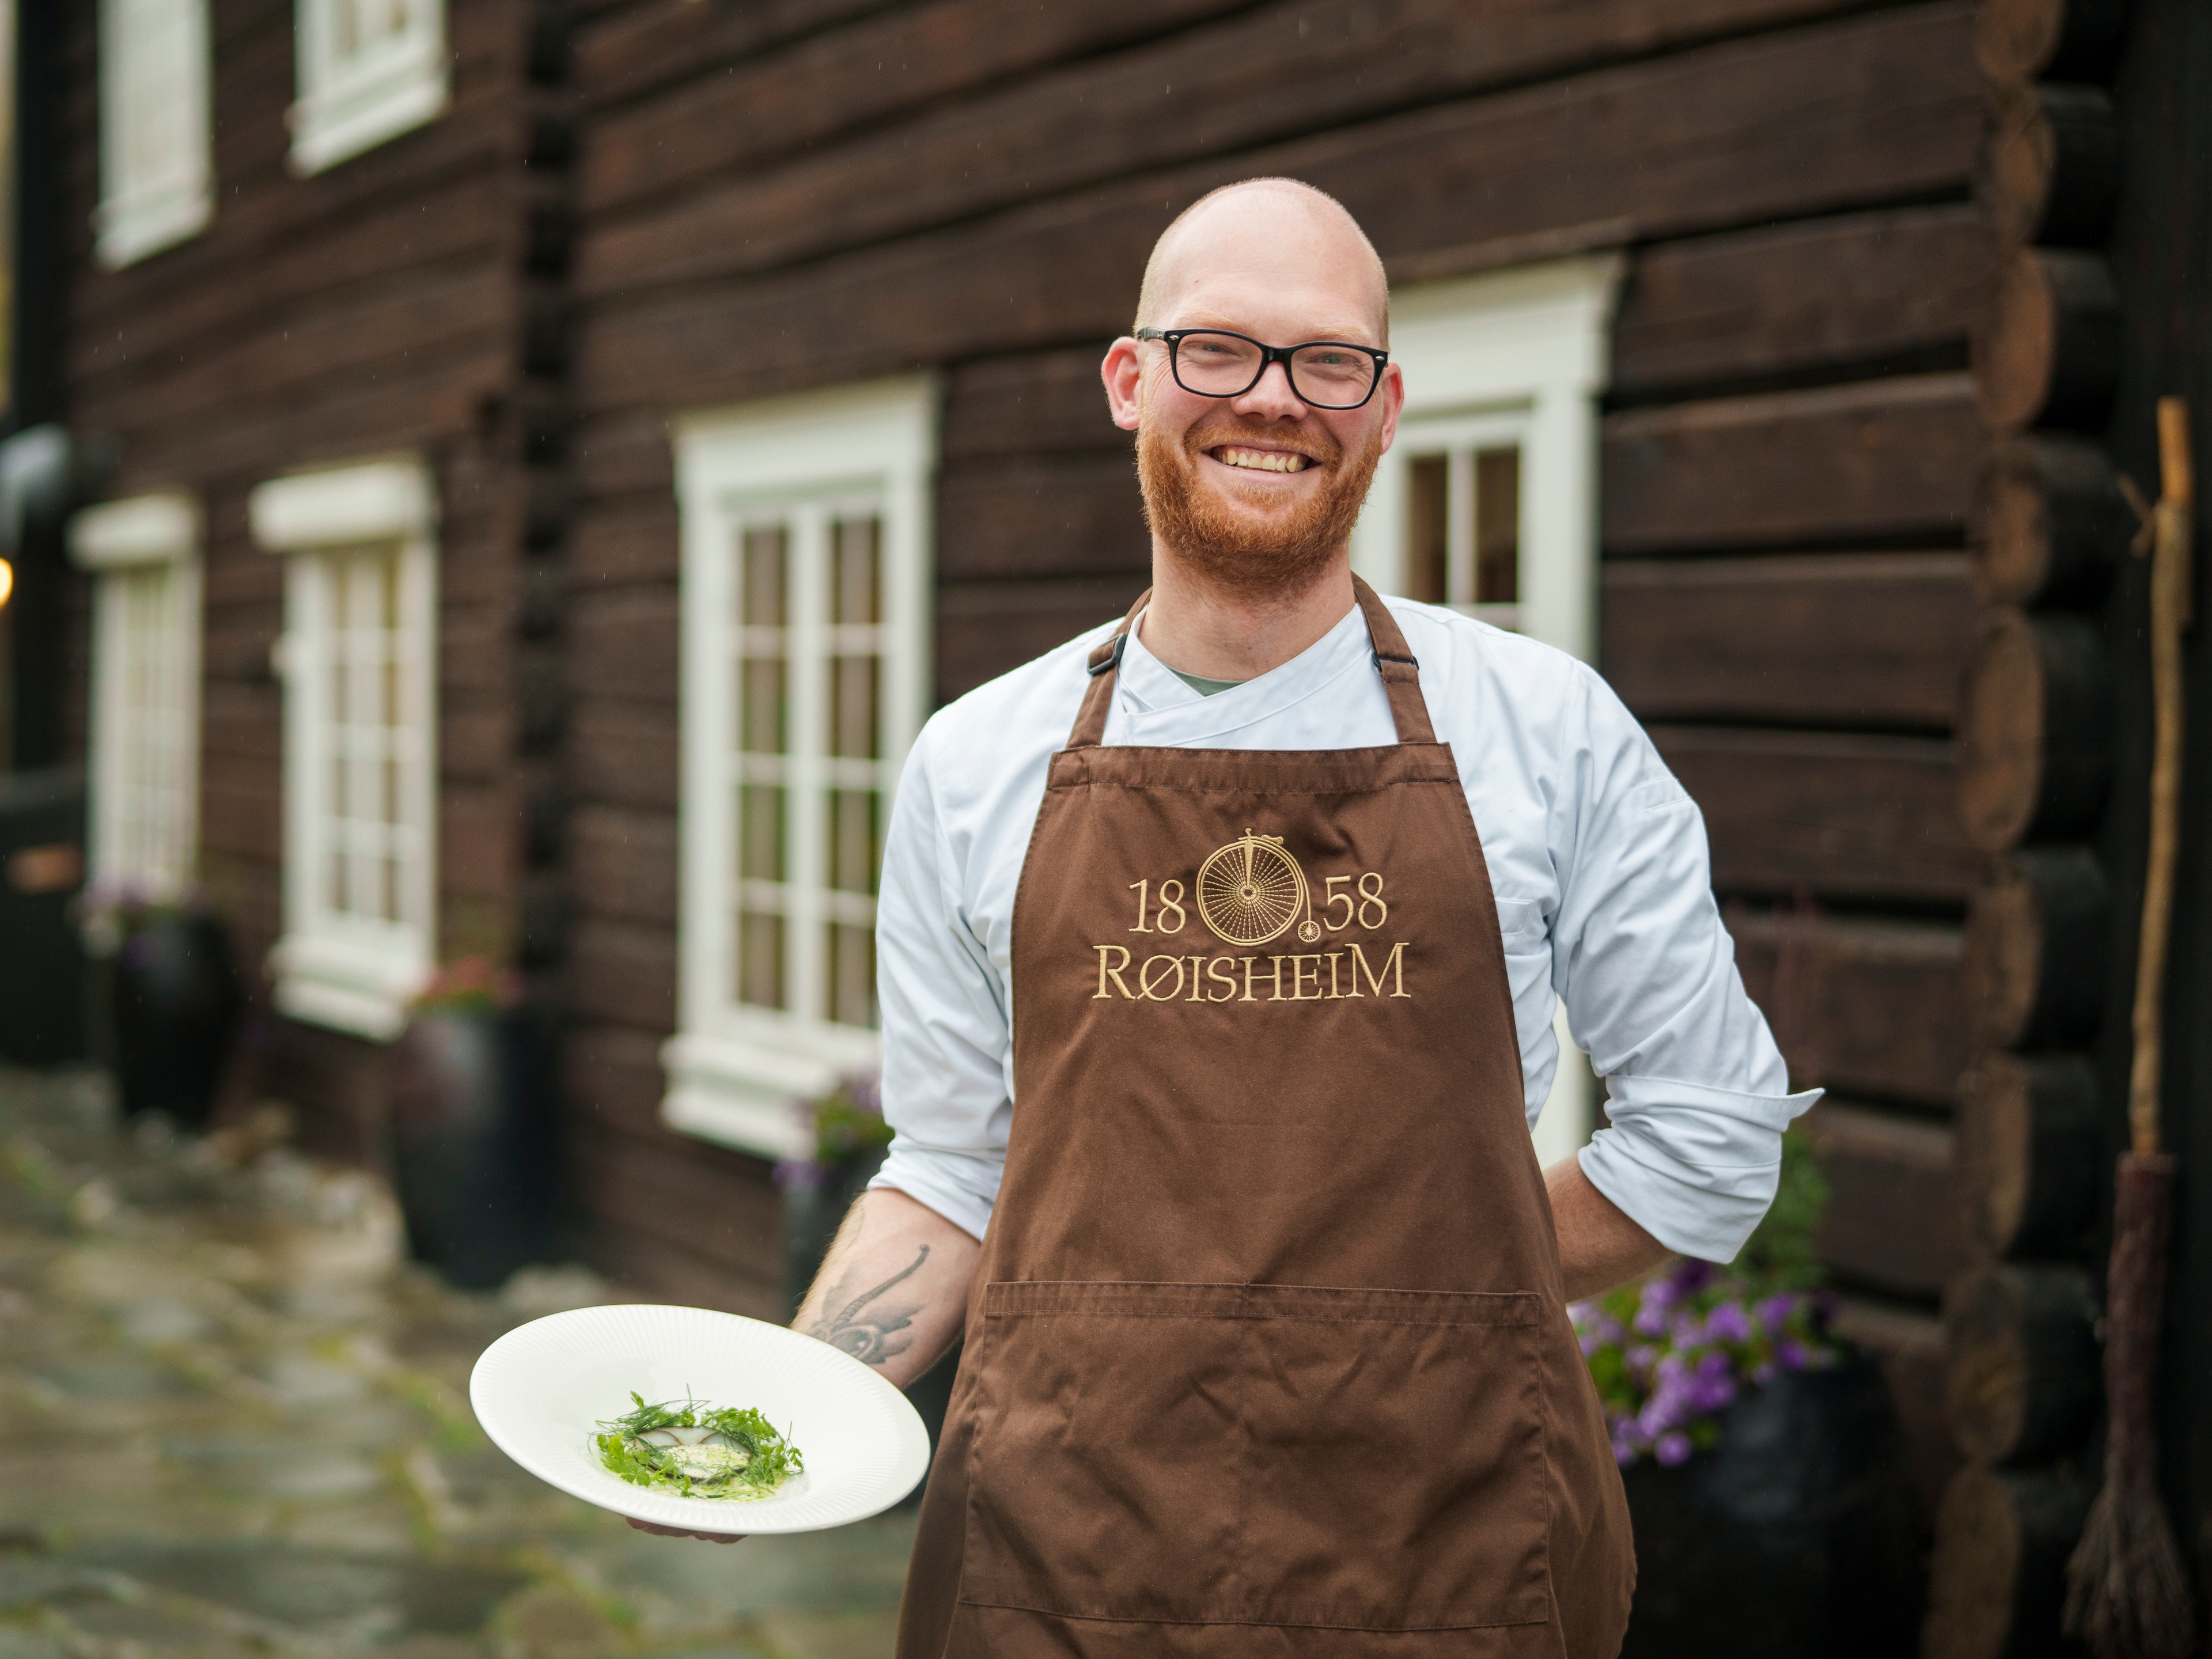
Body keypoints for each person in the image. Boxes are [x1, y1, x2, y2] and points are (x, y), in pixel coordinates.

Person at [647, 177, 1816, 1658]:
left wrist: (1424, 1297)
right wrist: (784, 1424)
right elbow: (950, 1165)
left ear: (1386, 409)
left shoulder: (1546, 729)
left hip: (1449, 1547)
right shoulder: (976, 759)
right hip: (1062, 1542)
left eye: (1328, 360)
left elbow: (1710, 1137)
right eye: (1219, 349)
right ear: (1132, 382)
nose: (1274, 400)